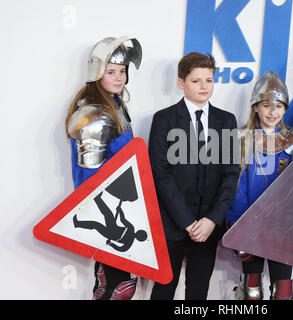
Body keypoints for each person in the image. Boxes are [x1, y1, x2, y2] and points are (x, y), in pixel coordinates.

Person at [148, 52, 240, 300]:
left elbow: (232, 173)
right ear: (181, 83)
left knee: (198, 292)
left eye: (208, 80)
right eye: (196, 81)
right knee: (164, 289)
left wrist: (211, 219)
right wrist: (187, 221)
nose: (203, 87)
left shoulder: (226, 120)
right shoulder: (164, 119)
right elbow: (160, 173)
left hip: (208, 226)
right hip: (172, 224)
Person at [65, 36, 142, 300]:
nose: (119, 78)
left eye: (122, 72)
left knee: (117, 285)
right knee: (116, 288)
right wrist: (111, 222)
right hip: (106, 212)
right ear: (97, 73)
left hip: (122, 212)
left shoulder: (116, 105)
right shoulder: (94, 113)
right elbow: (90, 180)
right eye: (111, 72)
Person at [226, 71, 293, 300]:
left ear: (285, 109)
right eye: (266, 105)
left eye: (279, 106)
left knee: (283, 291)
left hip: (283, 227)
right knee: (252, 291)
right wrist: (239, 222)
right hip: (249, 225)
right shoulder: (241, 139)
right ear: (255, 107)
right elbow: (236, 185)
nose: (273, 112)